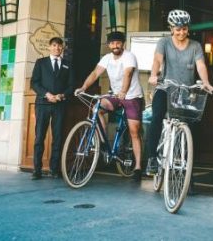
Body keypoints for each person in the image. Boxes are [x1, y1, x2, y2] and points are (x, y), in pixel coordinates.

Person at [146, 9, 213, 175]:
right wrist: (154, 75)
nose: (181, 32)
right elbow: (157, 59)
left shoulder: (195, 46)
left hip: (185, 92)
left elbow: (201, 65)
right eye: (177, 29)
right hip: (165, 88)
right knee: (156, 117)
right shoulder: (164, 42)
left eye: (184, 28)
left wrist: (205, 82)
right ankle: (151, 158)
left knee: (190, 128)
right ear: (171, 29)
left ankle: (187, 174)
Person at [74, 31, 145, 182]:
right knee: (96, 109)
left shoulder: (129, 56)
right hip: (115, 95)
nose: (115, 45)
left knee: (134, 132)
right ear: (108, 45)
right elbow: (95, 73)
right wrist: (83, 87)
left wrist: (124, 91)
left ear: (123, 43)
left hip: (132, 96)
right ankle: (103, 142)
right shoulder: (106, 58)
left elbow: (128, 74)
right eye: (112, 43)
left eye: (118, 42)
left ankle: (138, 167)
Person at [30, 37, 75, 180]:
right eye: (54, 45)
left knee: (58, 137)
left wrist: (62, 95)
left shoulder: (68, 65)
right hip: (43, 104)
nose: (57, 48)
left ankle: (54, 170)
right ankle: (36, 169)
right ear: (49, 47)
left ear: (63, 48)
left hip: (60, 105)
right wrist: (47, 94)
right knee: (39, 137)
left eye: (60, 46)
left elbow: (71, 85)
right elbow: (34, 83)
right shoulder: (41, 62)